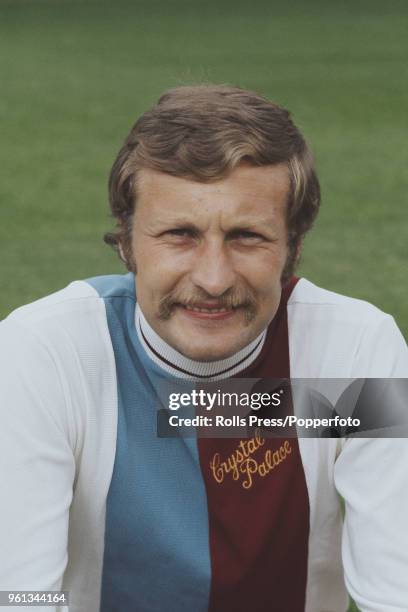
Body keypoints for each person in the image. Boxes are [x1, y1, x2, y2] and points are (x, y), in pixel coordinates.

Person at [0, 85, 407, 612]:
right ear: (126, 240)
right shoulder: (45, 354)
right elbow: (21, 596)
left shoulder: (356, 352)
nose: (213, 279)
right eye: (179, 234)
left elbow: (397, 591)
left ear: (294, 246)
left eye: (247, 236)